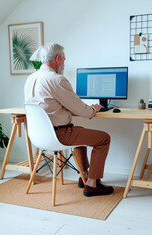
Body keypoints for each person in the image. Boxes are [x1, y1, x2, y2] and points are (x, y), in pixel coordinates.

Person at [24, 43, 114, 197]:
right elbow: (83, 111)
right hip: (60, 135)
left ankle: (84, 175)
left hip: (39, 137)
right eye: (64, 59)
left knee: (80, 133)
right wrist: (94, 109)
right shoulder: (57, 79)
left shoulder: (31, 79)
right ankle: (92, 184)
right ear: (57, 58)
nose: (65, 63)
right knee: (104, 139)